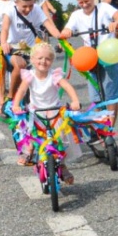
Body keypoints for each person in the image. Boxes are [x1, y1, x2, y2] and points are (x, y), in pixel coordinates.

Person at [10, 41, 81, 182]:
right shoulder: (29, 76)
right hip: (36, 112)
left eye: (47, 59)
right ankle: (28, 151)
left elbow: (68, 87)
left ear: (52, 61)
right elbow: (22, 90)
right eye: (39, 58)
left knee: (60, 138)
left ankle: (62, 164)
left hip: (54, 111)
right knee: (28, 130)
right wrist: (16, 104)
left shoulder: (54, 76)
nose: (43, 61)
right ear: (32, 60)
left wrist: (75, 101)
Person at [59, 0, 118, 130]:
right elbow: (67, 29)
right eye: (80, 2)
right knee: (95, 96)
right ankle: (100, 126)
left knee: (111, 94)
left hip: (108, 54)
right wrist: (66, 33)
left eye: (87, 1)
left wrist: (115, 23)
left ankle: (109, 128)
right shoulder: (76, 15)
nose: (84, 5)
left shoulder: (104, 8)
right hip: (89, 58)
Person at [0, 0, 64, 109]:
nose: (28, 9)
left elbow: (50, 26)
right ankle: (10, 98)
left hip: (30, 50)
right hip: (12, 49)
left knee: (43, 68)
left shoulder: (36, 10)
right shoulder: (10, 11)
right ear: (16, 2)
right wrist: (3, 43)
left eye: (31, 5)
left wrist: (61, 39)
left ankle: (40, 103)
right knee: (20, 65)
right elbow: (4, 29)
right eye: (24, 6)